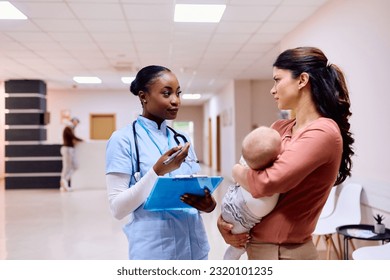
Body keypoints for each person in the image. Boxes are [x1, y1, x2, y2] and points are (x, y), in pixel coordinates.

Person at [217, 47, 354, 260]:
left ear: (302, 80)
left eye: (277, 80)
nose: (272, 90)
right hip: (257, 246)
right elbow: (249, 176)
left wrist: (235, 171)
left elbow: (266, 183)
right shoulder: (280, 127)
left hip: (285, 253)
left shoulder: (323, 132)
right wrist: (228, 219)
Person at [105, 65, 216, 260]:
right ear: (143, 96)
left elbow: (194, 190)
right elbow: (118, 208)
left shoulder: (181, 139)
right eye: (166, 93)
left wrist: (208, 205)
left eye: (178, 93)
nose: (175, 101)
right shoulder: (123, 139)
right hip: (155, 252)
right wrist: (157, 172)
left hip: (195, 249)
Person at [221, 126, 281, 260]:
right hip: (242, 218)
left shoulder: (246, 167)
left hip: (228, 204)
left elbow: (239, 166)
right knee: (238, 246)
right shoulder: (271, 179)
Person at [60, 117, 83, 191]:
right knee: (67, 167)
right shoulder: (67, 128)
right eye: (75, 122)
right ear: (72, 121)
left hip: (70, 149)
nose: (76, 124)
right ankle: (64, 182)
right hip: (67, 149)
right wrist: (81, 140)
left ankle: (64, 180)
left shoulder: (71, 129)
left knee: (75, 166)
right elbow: (72, 137)